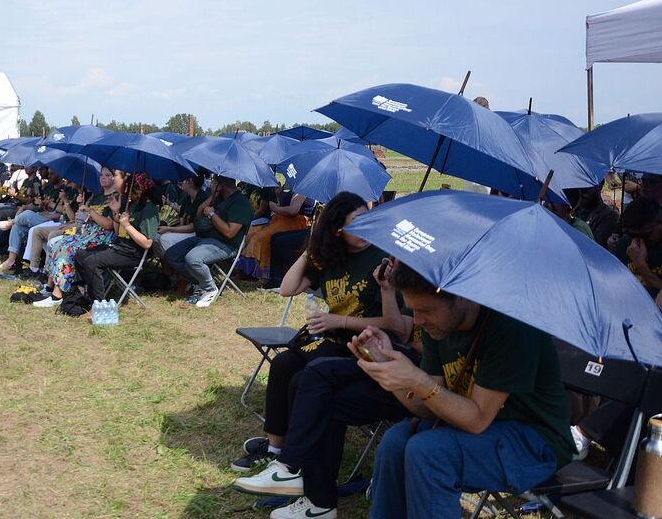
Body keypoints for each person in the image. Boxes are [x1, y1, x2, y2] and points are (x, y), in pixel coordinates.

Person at [353, 262, 575, 519]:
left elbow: (477, 420)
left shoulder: (511, 324)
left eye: (425, 310)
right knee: (395, 442)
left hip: (535, 442)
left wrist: (417, 380)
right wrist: (389, 372)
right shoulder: (438, 326)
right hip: (481, 428)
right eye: (413, 310)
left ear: (461, 296)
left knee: (429, 453)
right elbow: (428, 406)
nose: (417, 321)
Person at [232, 259, 419, 518]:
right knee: (309, 376)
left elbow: (403, 332)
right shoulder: (346, 258)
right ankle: (300, 482)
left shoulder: (444, 294)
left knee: (315, 381)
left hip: (410, 378)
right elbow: (401, 333)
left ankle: (294, 473)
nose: (423, 317)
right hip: (391, 361)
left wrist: (354, 323)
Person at [230, 192, 402, 472]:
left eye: (366, 221)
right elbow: (287, 289)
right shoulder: (333, 257)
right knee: (283, 363)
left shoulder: (382, 260)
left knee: (302, 378)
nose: (362, 231)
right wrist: (313, 248)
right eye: (352, 226)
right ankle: (275, 448)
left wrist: (340, 322)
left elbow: (394, 324)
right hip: (328, 338)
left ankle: (296, 460)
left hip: (362, 344)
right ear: (337, 230)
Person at [74, 173, 159, 315]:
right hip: (118, 246)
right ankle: (87, 295)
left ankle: (99, 307)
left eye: (134, 189)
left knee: (92, 262)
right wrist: (115, 213)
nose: (128, 192)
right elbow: (116, 229)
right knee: (80, 255)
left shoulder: (149, 209)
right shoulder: (130, 203)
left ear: (142, 189)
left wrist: (128, 226)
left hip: (132, 253)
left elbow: (147, 243)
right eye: (129, 188)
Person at [33, 168, 119, 307]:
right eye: (101, 175)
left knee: (67, 249)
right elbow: (81, 218)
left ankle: (57, 295)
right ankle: (49, 288)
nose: (103, 178)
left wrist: (90, 212)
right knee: (57, 244)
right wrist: (81, 207)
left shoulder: (115, 198)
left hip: (102, 237)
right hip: (87, 233)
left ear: (114, 178)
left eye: (107, 175)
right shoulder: (97, 196)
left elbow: (109, 225)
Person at [164, 176, 253, 308]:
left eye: (215, 181)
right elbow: (199, 213)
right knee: (172, 255)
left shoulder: (240, 202)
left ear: (222, 183)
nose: (211, 184)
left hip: (227, 245)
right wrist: (212, 196)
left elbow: (230, 232)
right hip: (206, 239)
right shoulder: (220, 197)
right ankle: (202, 283)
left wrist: (212, 215)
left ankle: (210, 289)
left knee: (193, 259)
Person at [615, 197, 662, 298]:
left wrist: (641, 266)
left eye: (646, 234)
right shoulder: (626, 244)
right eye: (633, 235)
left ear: (660, 222)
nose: (640, 240)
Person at [572, 183, 618, 248]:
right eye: (580, 189)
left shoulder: (609, 215)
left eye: (586, 190)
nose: (582, 194)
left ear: (598, 188)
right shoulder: (576, 209)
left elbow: (593, 246)